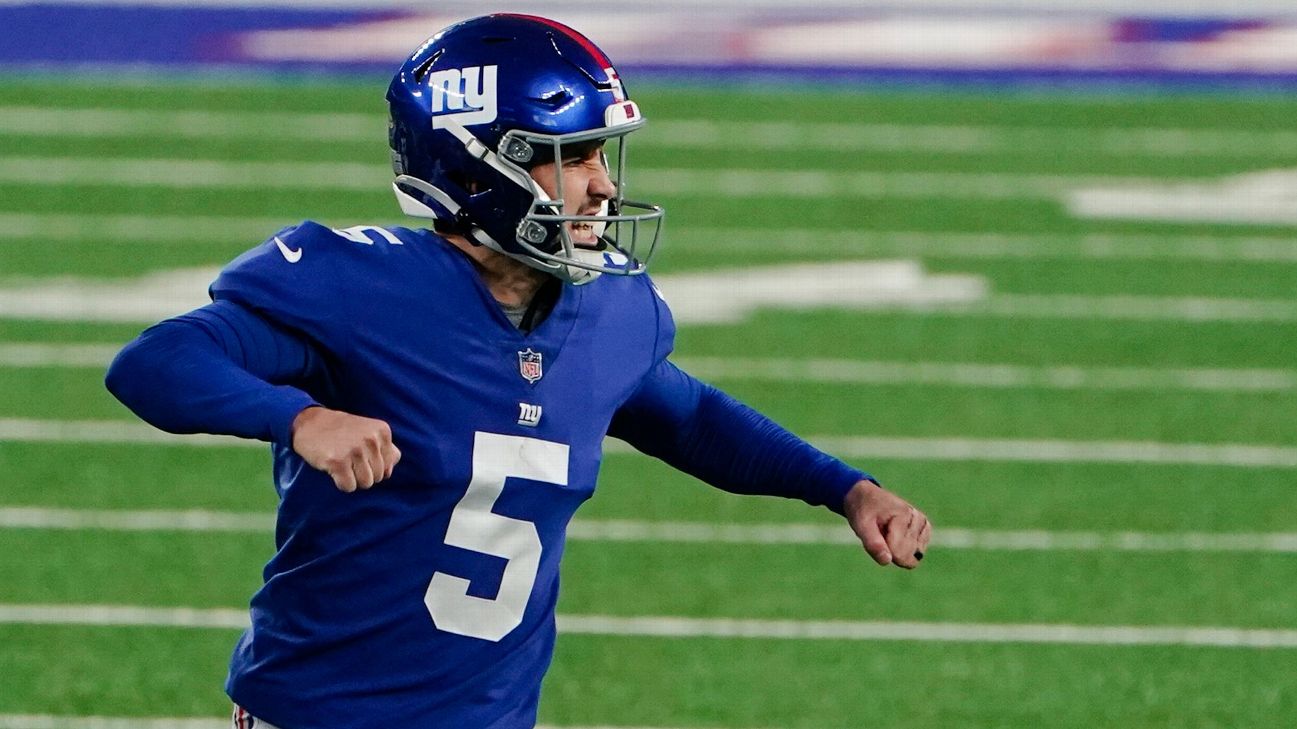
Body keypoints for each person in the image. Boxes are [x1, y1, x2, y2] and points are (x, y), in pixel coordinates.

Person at [105, 13, 931, 729]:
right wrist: (298, 417)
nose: (602, 186)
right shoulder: (361, 290)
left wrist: (844, 488)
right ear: (474, 169)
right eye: (569, 157)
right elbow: (157, 362)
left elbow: (685, 416)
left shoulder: (606, 311)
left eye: (601, 156)